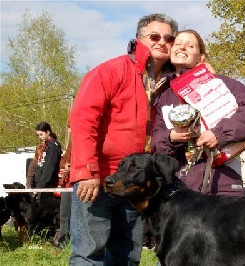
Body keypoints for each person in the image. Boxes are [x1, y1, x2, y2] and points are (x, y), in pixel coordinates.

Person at [68, 14, 178, 265]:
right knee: (89, 253)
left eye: (169, 38)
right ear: (139, 40)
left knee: (128, 254)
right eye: (154, 36)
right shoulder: (111, 71)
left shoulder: (172, 84)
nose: (162, 42)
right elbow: (83, 119)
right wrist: (87, 171)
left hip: (135, 184)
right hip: (98, 177)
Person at [150, 29, 245, 196]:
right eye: (177, 44)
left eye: (190, 46)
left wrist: (219, 134)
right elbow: (157, 142)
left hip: (222, 185)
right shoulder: (164, 97)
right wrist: (171, 137)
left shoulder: (219, 82)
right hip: (181, 189)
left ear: (201, 56)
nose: (182, 48)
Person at [34, 122, 62, 201]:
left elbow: (49, 168)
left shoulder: (53, 146)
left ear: (48, 132)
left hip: (47, 185)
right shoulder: (46, 145)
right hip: (40, 183)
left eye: (41, 134)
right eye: (38, 135)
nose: (40, 137)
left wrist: (40, 186)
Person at [52, 140, 72, 250]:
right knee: (64, 217)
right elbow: (62, 162)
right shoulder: (71, 144)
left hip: (77, 184)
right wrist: (64, 165)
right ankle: (62, 245)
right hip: (67, 184)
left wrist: (72, 167)